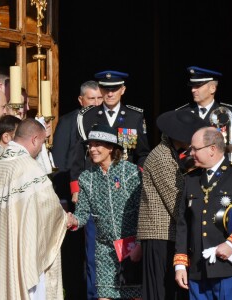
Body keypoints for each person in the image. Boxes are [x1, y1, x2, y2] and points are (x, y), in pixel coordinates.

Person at [70, 70, 151, 300]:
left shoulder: (134, 116)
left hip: (127, 190)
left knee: (133, 282)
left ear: (122, 90)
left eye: (114, 88)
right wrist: (77, 190)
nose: (109, 93)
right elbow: (79, 157)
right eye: (105, 89)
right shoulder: (87, 116)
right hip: (97, 188)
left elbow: (142, 154)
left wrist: (136, 178)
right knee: (96, 259)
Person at [174, 126, 232, 300]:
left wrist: (231, 244)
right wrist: (180, 264)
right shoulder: (191, 179)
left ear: (212, 149)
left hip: (230, 268)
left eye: (195, 148)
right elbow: (183, 223)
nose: (190, 153)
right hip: (198, 270)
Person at [137, 109, 207, 300]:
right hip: (160, 234)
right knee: (160, 291)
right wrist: (199, 225)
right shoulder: (162, 157)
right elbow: (175, 200)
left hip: (170, 234)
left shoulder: (174, 154)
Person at [68, 124, 143, 300]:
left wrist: (140, 245)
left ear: (110, 147)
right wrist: (72, 220)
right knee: (104, 296)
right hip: (105, 250)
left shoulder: (130, 173)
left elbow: (143, 212)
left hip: (131, 247)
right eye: (91, 145)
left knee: (135, 295)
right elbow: (82, 214)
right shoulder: (87, 178)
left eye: (97, 145)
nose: (92, 149)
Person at [0, 118, 71, 300]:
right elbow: (50, 209)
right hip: (25, 249)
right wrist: (66, 219)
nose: (41, 149)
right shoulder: (30, 168)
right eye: (42, 143)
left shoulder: (2, 162)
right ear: (35, 140)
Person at [51, 80, 103, 300]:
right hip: (75, 198)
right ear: (81, 100)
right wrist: (64, 197)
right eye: (92, 99)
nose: (97, 103)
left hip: (101, 197)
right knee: (75, 252)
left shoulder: (104, 120)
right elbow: (62, 164)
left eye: (100, 98)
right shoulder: (68, 122)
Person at [177, 66, 232, 162]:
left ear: (212, 88)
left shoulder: (227, 113)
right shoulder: (182, 113)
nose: (193, 90)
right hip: (189, 172)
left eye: (198, 86)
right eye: (192, 86)